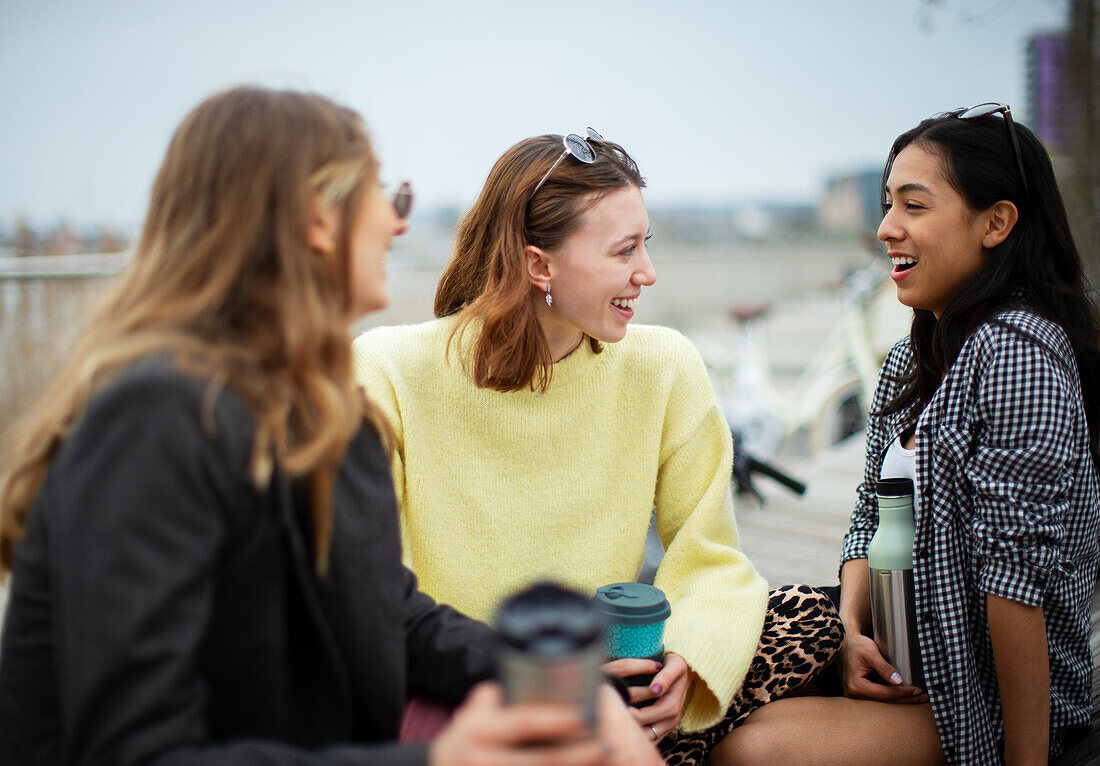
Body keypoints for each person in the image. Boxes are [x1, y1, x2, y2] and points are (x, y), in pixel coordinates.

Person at [0, 87, 661, 766]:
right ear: (319, 218)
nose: (397, 224)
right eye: (385, 194)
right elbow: (133, 752)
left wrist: (570, 689)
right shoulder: (157, 419)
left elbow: (392, 617)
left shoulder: (321, 411)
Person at [352, 129, 844, 764]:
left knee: (817, 618)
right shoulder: (389, 370)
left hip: (620, 679)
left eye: (648, 244)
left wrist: (687, 665)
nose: (648, 272)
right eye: (624, 250)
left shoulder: (663, 365)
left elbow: (711, 556)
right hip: (462, 694)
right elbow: (376, 596)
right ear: (539, 264)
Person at [711, 104, 1100, 766]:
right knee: (701, 686)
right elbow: (869, 512)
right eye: (888, 204)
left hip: (984, 705)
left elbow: (1015, 586)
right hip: (903, 654)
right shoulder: (911, 360)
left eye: (914, 206)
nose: (887, 228)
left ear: (997, 222)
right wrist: (849, 631)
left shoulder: (1017, 354)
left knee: (750, 751)